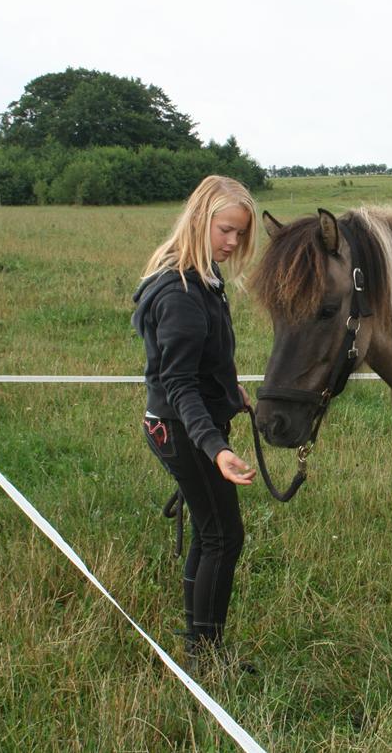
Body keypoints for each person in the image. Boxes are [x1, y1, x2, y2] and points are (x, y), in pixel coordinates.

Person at [132, 175, 259, 669]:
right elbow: (178, 384)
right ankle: (206, 656)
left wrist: (229, 390)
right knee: (224, 536)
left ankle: (198, 646)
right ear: (200, 218)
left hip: (186, 422)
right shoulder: (181, 293)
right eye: (226, 230)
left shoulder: (202, 276)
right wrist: (217, 449)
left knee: (211, 532)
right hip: (183, 429)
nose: (233, 243)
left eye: (240, 235)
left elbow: (200, 364)